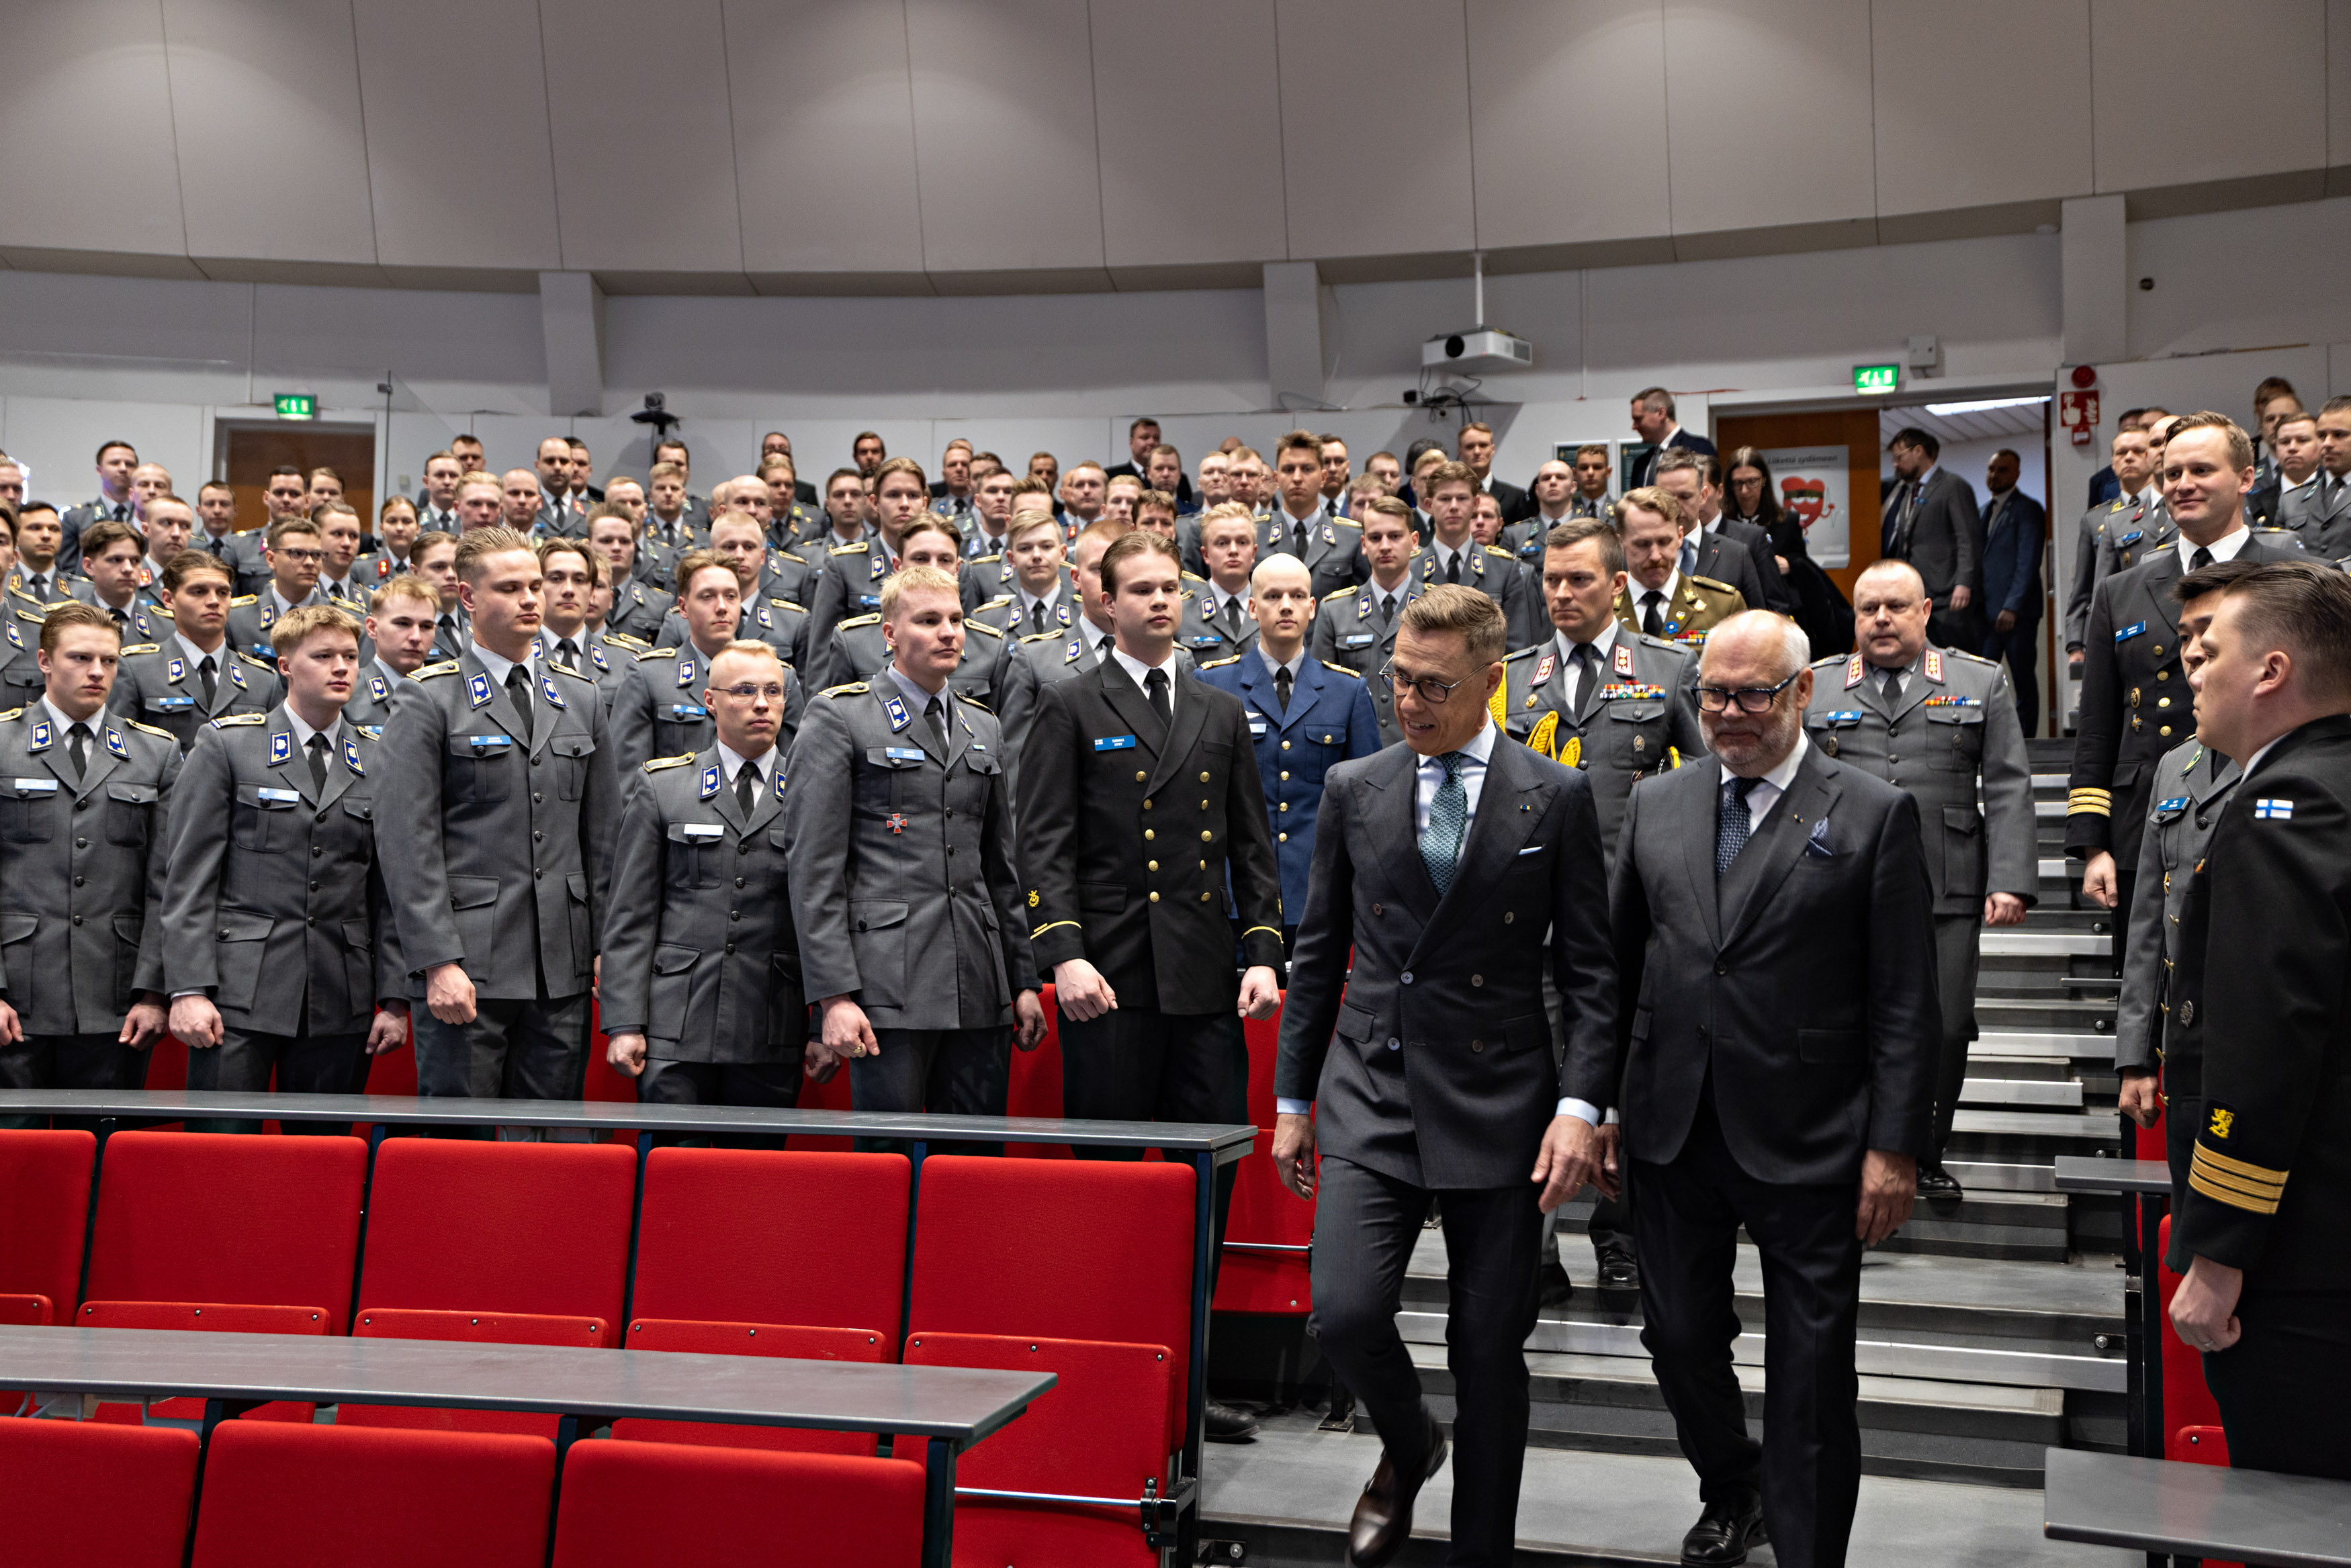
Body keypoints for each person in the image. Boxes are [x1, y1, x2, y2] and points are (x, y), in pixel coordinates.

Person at [1270, 584, 1617, 1568]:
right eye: (1399, 680)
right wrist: (1293, 1099)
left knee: (1488, 1348)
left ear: (1490, 680)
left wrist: (1579, 1106)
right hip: (1371, 1082)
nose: (1409, 702)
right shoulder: (1356, 785)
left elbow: (1591, 974)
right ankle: (1411, 1438)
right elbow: (1318, 952)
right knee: (1344, 1311)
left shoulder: (1556, 793)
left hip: (1500, 1095)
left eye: (1434, 685)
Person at [1611, 609, 1935, 1568]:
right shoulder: (1656, 802)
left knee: (1812, 1373)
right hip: (1673, 1125)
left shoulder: (1873, 810)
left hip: (1814, 1133)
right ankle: (1733, 1482)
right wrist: (1598, 1104)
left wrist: (1895, 1145)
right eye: (1712, 693)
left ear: (1802, 691)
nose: (1727, 713)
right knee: (1676, 1336)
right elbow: (1617, 970)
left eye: (1752, 695)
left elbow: (1906, 997)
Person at [1017, 529, 1282, 1443]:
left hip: (1203, 984)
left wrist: (1261, 950)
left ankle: (1187, 1386)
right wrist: (1063, 953)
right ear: (1106, 601)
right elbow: (1043, 841)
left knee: (1204, 1189)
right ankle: (1101, 1383)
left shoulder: (1217, 707)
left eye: (1171, 586)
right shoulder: (1069, 701)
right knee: (1108, 1195)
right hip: (1111, 982)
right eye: (1140, 589)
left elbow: (1251, 843)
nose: (1160, 601)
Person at [2164, 560, 2351, 1481]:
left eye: (2212, 651)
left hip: (2302, 1253)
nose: (2193, 670)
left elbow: (2266, 1043)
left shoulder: (2287, 805)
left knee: (2301, 1507)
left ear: (2271, 671)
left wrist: (2220, 1249)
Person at [1499, 518, 1703, 1296]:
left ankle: (1619, 1237)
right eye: (1550, 580)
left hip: (1633, 918)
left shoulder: (1668, 669)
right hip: (1533, 917)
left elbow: (1704, 789)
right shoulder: (1512, 676)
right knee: (1534, 1081)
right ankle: (1536, 1247)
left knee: (1626, 1083)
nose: (1560, 593)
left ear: (1616, 584)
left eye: (1578, 579)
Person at [786, 564, 1044, 1148]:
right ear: (890, 633)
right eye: (928, 620)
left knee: (974, 1164)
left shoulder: (984, 726)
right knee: (889, 1162)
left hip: (978, 983)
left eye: (956, 619)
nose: (948, 632)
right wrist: (833, 997)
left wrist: (1022, 979)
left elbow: (1001, 867)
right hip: (886, 986)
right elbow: (814, 871)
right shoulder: (841, 716)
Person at [1804, 560, 2034, 1200]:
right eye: (1868, 608)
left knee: (1949, 1025)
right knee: (1845, 1022)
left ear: (1926, 611)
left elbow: (2008, 783)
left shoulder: (1978, 679)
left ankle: (1923, 1152)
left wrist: (2010, 878)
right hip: (1840, 886)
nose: (1881, 619)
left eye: (1896, 607)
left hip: (1946, 881)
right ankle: (1852, 1148)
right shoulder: (1817, 685)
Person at [377, 527, 618, 1125]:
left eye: (535, 585)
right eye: (510, 588)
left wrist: (606, 948)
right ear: (468, 596)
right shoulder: (429, 698)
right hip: (468, 965)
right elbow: (408, 844)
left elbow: (603, 840)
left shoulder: (582, 698)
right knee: (462, 1148)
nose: (531, 598)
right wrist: (437, 961)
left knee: (551, 1146)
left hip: (560, 966)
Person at [2070, 414, 2305, 981]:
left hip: (2272, 811)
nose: (2182, 484)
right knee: (2150, 987)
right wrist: (2093, 844)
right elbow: (2099, 724)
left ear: (2246, 478)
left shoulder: (2297, 575)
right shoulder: (2122, 590)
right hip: (2148, 822)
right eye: (2172, 473)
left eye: (2201, 470)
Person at [163, 605, 406, 1133]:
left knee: (324, 1158)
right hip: (238, 989)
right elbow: (188, 879)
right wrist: (188, 988)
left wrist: (393, 999)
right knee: (220, 1151)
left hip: (340, 990)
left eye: (350, 656)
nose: (341, 667)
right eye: (323, 656)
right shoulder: (229, 744)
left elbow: (388, 890)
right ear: (285, 665)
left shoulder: (380, 756)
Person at [601, 640, 808, 1124]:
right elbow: (631, 915)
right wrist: (625, 1022)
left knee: (756, 1167)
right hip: (676, 1021)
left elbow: (825, 914)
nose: (762, 703)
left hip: (772, 1023)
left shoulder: (812, 791)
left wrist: (821, 1025)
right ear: (710, 701)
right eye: (745, 690)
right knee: (672, 1165)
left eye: (774, 691)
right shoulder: (664, 787)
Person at [0, 604, 179, 1119]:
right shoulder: (4, 742)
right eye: (80, 657)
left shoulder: (155, 752)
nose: (97, 671)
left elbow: (167, 884)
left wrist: (153, 992)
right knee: (16, 1151)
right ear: (44, 661)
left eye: (109, 660)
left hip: (115, 997)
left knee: (103, 1150)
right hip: (17, 994)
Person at [2114, 561, 2256, 1161]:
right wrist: (2135, 1055)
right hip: (2185, 1051)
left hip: (2260, 1050)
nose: (2193, 650)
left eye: (2210, 631)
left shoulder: (2287, 759)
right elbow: (2149, 920)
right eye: (2185, 635)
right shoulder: (2176, 765)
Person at [1196, 553, 1380, 958]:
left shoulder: (1347, 691)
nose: (1286, 606)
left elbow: (1368, 803)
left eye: (1297, 596)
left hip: (1317, 889)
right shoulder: (1213, 685)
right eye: (1273, 596)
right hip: (1234, 892)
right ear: (1252, 606)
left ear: (1312, 608)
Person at [613, 550, 801, 775]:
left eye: (731, 596)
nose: (722, 607)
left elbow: (794, 771)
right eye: (707, 596)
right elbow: (629, 777)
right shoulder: (649, 677)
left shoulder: (779, 677)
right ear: (683, 608)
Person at [108, 552, 275, 751]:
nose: (214, 601)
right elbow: (120, 751)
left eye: (223, 592)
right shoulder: (137, 670)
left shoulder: (262, 679)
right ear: (168, 599)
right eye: (198, 592)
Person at [1310, 497, 1421, 748]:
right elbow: (1321, 692)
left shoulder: (1437, 607)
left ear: (1414, 541)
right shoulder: (1334, 611)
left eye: (1395, 536)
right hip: (1355, 751)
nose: (1385, 546)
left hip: (1420, 749)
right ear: (1363, 545)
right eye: (1375, 538)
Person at [807, 457, 928, 682]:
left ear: (925, 503)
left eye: (913, 495)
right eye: (893, 495)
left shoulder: (944, 565)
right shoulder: (843, 566)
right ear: (875, 503)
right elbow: (822, 657)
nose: (904, 504)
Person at [2064, 421, 2159, 665]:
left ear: (2153, 456)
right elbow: (2083, 585)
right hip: (2113, 623)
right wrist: (2076, 643)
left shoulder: (2167, 510)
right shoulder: (2096, 519)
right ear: (2113, 463)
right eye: (2121, 453)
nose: (2129, 457)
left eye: (2138, 451)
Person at [1415, 461, 1539, 647]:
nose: (1454, 506)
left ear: (1475, 504)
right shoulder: (1409, 568)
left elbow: (1517, 647)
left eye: (1462, 498)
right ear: (1430, 505)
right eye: (1445, 499)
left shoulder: (1504, 569)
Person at [1881, 427, 1983, 651]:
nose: (1895, 464)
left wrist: (1964, 583)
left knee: (1955, 658)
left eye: (1899, 457)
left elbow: (1968, 539)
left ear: (1918, 451)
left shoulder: (1952, 486)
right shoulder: (1908, 493)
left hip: (1949, 597)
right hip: (1920, 596)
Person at [1652, 450, 1780, 614]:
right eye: (1668, 497)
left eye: (1685, 496)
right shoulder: (1638, 554)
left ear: (1703, 496)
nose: (1676, 506)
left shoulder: (1736, 555)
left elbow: (1758, 619)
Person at [1613, 487, 1744, 645]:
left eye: (1664, 542)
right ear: (1621, 543)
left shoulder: (1723, 606)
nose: (1655, 556)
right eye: (1642, 544)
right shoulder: (1601, 609)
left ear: (1680, 537)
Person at [1977, 450, 2047, 737]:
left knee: (2022, 681)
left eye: (2002, 470)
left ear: (2017, 474)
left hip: (2017, 614)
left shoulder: (2028, 509)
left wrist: (2012, 606)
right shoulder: (1983, 511)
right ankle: (1985, 739)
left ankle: (2027, 743)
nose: (1995, 475)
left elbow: (2028, 562)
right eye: (1991, 469)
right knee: (1982, 679)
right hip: (1985, 616)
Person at [1259, 430, 1368, 596]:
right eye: (1289, 469)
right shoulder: (1256, 535)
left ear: (1323, 477)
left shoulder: (1351, 538)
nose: (1297, 478)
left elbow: (1361, 603)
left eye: (1307, 469)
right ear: (1276, 479)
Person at [345, 573, 441, 730]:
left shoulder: (451, 696)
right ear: (372, 628)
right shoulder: (346, 693)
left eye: (426, 627)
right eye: (403, 624)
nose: (416, 637)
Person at [226, 518, 327, 661]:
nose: (310, 562)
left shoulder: (342, 619)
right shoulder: (237, 619)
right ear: (271, 559)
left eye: (316, 555)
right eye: (297, 554)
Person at [1178, 504, 1261, 661]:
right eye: (1222, 543)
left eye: (1242, 542)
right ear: (1206, 554)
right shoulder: (1181, 612)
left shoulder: (1272, 608)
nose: (1233, 550)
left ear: (1253, 553)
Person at [587, 506, 672, 641]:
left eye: (624, 541)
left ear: (634, 547)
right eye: (607, 541)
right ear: (588, 546)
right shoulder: (576, 597)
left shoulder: (661, 603)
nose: (616, 547)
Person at [58, 439, 140, 574]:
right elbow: (66, 574)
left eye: (129, 464)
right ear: (99, 470)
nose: (123, 468)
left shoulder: (146, 517)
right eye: (115, 463)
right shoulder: (76, 518)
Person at [76, 520, 167, 641]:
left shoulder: (166, 627)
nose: (128, 569)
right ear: (89, 566)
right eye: (116, 560)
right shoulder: (68, 623)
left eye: (135, 561)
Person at [1628, 387, 1715, 489]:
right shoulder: (1641, 463)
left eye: (1638, 419)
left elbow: (1707, 493)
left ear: (1661, 413)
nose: (1634, 427)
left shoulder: (1698, 449)